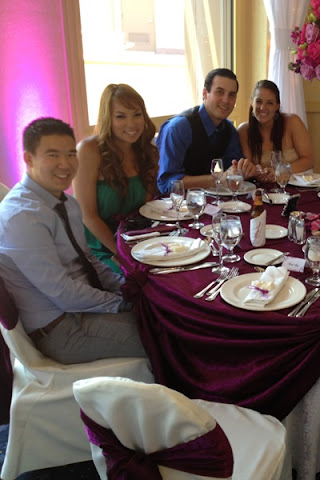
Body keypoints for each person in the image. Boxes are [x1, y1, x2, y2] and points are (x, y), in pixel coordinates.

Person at [0, 118, 146, 365]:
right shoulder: (21, 217)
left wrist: (126, 288)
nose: (65, 164)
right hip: (60, 329)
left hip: (83, 309)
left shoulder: (67, 203)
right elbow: (62, 293)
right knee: (163, 335)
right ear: (28, 159)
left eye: (70, 154)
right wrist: (120, 304)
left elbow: (88, 259)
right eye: (53, 155)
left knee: (163, 316)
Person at [74, 84, 158, 273]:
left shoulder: (146, 150)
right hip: (99, 247)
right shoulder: (88, 150)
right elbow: (88, 216)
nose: (131, 124)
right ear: (108, 118)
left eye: (137, 114)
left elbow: (146, 210)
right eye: (121, 116)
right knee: (144, 281)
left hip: (135, 241)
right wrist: (123, 254)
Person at [156, 68, 254, 194]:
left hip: (215, 203)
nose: (226, 100)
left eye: (231, 95)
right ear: (204, 93)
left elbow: (232, 169)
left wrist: (244, 169)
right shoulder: (178, 129)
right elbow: (168, 184)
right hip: (177, 206)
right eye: (220, 92)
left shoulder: (229, 130)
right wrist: (217, 178)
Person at [237, 80, 313, 182]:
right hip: (262, 190)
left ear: (277, 106)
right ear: (252, 102)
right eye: (258, 101)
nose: (263, 107)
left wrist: (280, 171)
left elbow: (309, 160)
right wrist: (256, 171)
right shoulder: (244, 130)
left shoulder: (293, 122)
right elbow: (248, 166)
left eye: (270, 103)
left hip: (295, 187)